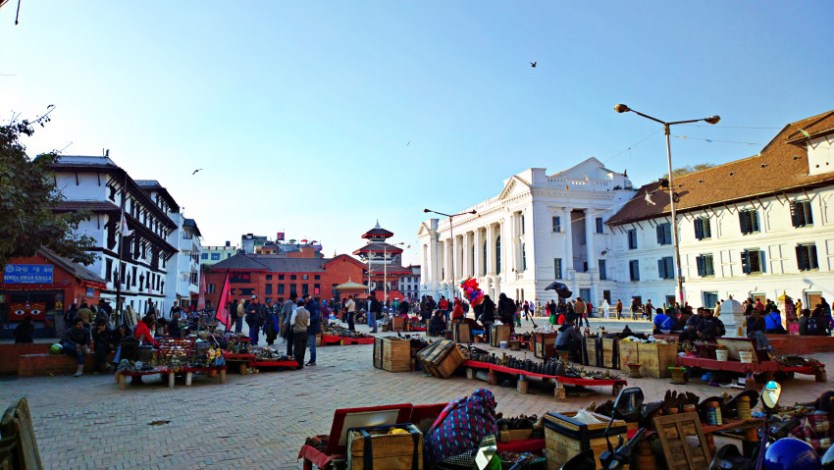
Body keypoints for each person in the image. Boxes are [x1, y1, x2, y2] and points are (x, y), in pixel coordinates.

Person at [291, 299, 310, 369]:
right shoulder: (307, 312)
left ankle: (298, 363)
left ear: (297, 304)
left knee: (297, 348)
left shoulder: (295, 311)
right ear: (303, 304)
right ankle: (302, 361)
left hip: (297, 331)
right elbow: (308, 323)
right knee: (303, 348)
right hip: (305, 331)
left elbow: (292, 322)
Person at [306, 296, 321, 366]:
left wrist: (308, 321)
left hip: (312, 327)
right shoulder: (309, 304)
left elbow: (316, 316)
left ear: (307, 299)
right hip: (310, 327)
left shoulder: (314, 305)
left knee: (312, 344)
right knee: (311, 344)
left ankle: (312, 360)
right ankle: (312, 359)